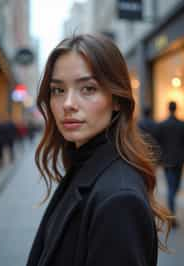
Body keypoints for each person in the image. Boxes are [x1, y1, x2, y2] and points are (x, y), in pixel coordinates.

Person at [27, 34, 171, 266]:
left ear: (116, 99)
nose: (68, 104)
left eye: (88, 88)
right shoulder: (83, 167)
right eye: (58, 90)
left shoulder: (119, 199)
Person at [156, 101, 184, 227]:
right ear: (176, 109)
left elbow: (158, 143)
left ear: (168, 109)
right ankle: (172, 216)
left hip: (167, 161)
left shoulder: (162, 125)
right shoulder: (181, 125)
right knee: (174, 188)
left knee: (171, 188)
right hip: (178, 160)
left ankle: (171, 214)